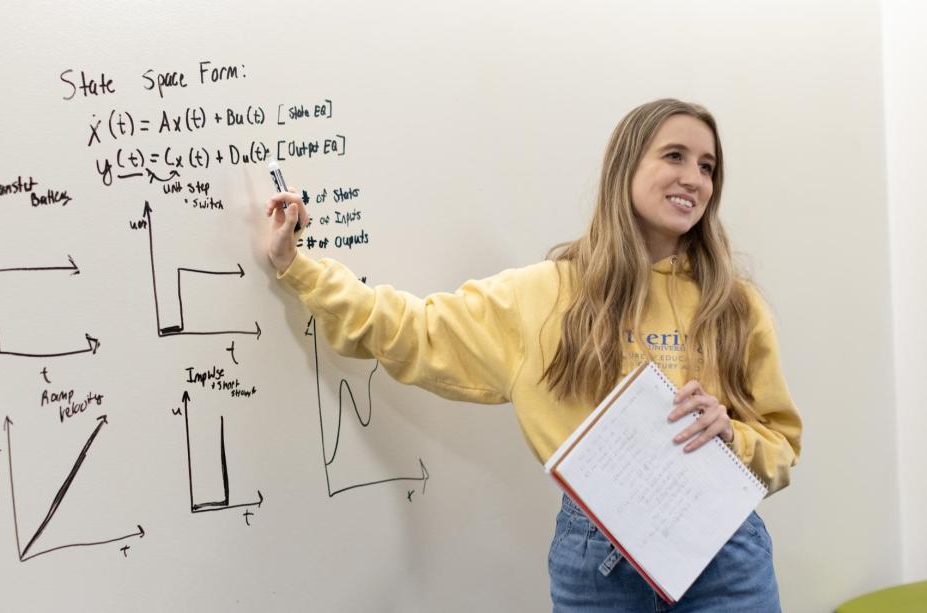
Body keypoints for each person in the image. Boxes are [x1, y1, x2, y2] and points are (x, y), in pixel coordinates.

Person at [264, 98, 802, 612]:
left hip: (724, 557)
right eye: (674, 156)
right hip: (599, 564)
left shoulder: (735, 305)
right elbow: (412, 328)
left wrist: (731, 435)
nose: (695, 178)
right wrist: (299, 266)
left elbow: (780, 447)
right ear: (625, 167)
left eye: (708, 167)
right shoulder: (543, 295)